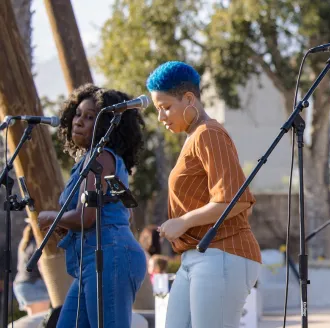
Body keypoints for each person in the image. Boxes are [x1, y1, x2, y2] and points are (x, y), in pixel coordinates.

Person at [147, 61, 262, 328]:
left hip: (224, 252)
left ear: (189, 99)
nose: (161, 117)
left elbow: (235, 199)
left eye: (165, 107)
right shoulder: (193, 136)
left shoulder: (209, 133)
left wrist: (184, 221)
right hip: (197, 256)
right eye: (158, 110)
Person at [37, 83, 148, 327]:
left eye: (89, 118)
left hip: (110, 256)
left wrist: (51, 217)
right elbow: (120, 213)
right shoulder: (90, 160)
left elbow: (87, 218)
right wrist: (67, 225)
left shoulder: (102, 157)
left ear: (108, 125)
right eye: (77, 114)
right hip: (92, 259)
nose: (79, 121)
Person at [13, 221, 51, 315]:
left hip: (20, 284)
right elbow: (42, 266)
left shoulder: (24, 242)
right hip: (33, 284)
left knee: (34, 319)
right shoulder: (38, 243)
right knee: (40, 320)